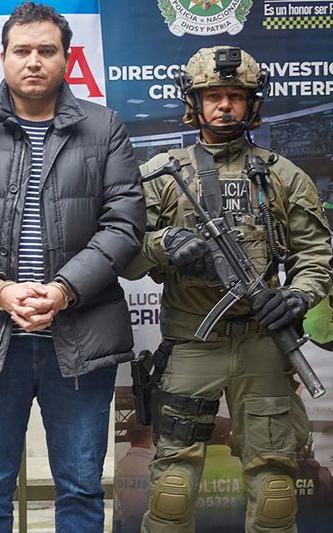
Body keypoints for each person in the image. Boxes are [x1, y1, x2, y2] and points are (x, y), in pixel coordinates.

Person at [0, 3, 144, 530]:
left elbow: (125, 226)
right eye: (22, 51)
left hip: (82, 338)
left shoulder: (104, 127)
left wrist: (63, 290)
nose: (34, 61)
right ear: (3, 58)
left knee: (82, 487)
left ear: (67, 58)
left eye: (47, 50)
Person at [124, 45, 332, 532]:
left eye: (235, 97)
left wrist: (299, 294)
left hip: (264, 343)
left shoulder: (282, 175)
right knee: (173, 484)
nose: (224, 106)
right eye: (213, 96)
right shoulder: (160, 175)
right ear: (193, 102)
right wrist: (165, 242)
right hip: (192, 342)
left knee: (277, 481)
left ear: (252, 103)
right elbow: (126, 255)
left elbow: (317, 254)